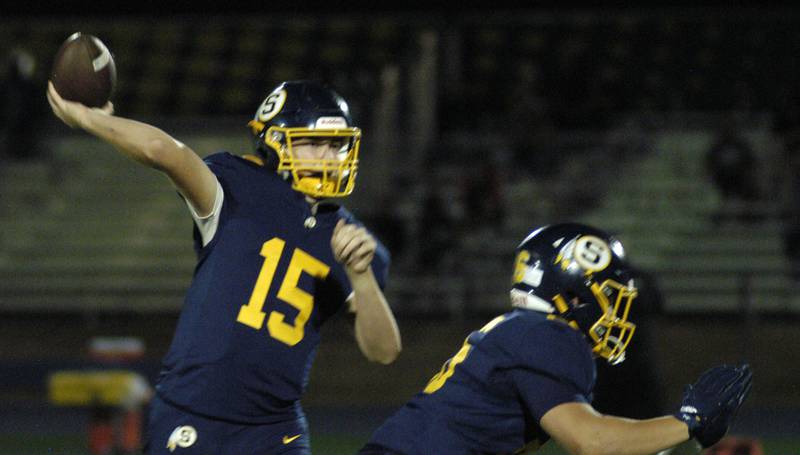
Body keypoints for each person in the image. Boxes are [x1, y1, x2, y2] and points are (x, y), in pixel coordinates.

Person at [47, 79, 402, 454]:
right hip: (193, 409)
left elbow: (383, 351)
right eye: (313, 143)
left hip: (274, 428)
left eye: (336, 145)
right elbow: (162, 150)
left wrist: (361, 277)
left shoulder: (354, 240)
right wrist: (89, 119)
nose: (329, 157)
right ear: (275, 141)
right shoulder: (237, 187)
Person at [359, 223, 752, 455]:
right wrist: (689, 422)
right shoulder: (550, 336)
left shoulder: (525, 330)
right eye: (608, 294)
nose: (616, 311)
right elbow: (592, 441)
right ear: (575, 293)